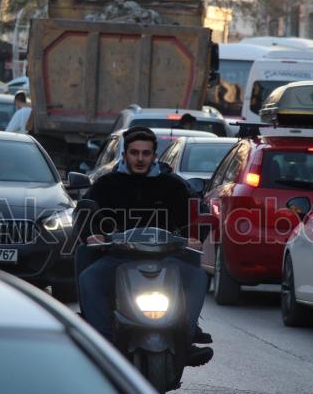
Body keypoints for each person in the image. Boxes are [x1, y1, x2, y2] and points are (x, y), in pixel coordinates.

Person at [77, 126, 213, 366]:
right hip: (118, 257)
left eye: (146, 153)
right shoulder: (107, 183)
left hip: (167, 258)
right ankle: (103, 344)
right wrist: (93, 234)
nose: (140, 158)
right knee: (89, 277)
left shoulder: (172, 184)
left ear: (154, 156)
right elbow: (86, 210)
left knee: (197, 277)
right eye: (134, 153)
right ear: (125, 155)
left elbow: (197, 211)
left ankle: (186, 339)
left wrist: (195, 235)